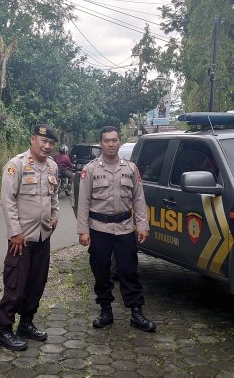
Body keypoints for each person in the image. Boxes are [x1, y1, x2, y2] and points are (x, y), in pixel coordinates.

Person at [76, 126, 156, 332]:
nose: (111, 144)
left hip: (124, 228)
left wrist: (143, 225)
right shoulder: (91, 169)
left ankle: (136, 313)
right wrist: (83, 230)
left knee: (129, 270)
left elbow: (138, 199)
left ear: (119, 142)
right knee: (101, 271)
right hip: (99, 228)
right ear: (101, 143)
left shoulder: (130, 168)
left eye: (114, 140)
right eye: (106, 141)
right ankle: (105, 311)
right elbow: (83, 201)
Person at [0, 124, 60, 351]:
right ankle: (4, 331)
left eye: (51, 143)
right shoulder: (17, 165)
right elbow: (7, 199)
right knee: (16, 285)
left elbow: (54, 197)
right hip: (22, 238)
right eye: (43, 141)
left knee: (37, 283)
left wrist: (55, 216)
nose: (47, 146)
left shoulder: (52, 166)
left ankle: (26, 323)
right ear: (33, 139)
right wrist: (15, 232)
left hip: (43, 235)